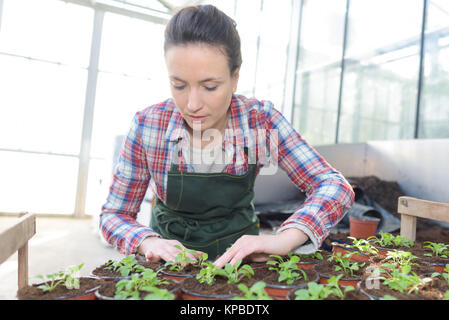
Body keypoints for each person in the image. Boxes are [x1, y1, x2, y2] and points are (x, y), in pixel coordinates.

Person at [99, 4, 355, 269]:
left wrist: (286, 239)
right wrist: (148, 242)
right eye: (179, 85)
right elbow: (114, 215)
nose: (192, 104)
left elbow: (333, 185)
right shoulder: (148, 126)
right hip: (165, 267)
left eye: (210, 86)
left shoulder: (259, 122)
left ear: (235, 78)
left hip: (241, 265)